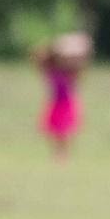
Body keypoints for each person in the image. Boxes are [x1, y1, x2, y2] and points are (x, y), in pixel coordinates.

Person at [34, 31, 93, 159]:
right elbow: (38, 56)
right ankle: (57, 153)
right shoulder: (50, 70)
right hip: (55, 103)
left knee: (64, 131)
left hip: (67, 104)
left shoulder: (71, 72)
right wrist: (55, 46)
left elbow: (82, 62)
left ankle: (63, 154)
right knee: (54, 131)